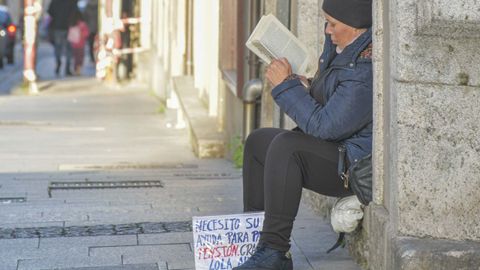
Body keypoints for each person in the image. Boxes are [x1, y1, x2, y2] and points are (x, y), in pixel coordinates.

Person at [233, 0, 373, 269]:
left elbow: (325, 127)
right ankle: (253, 240)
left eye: (333, 24)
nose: (328, 30)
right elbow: (334, 103)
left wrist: (286, 86)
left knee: (288, 146)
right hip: (337, 150)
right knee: (258, 142)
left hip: (353, 167)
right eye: (326, 22)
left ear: (355, 27)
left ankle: (275, 252)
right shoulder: (343, 49)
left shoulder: (364, 69)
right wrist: (306, 86)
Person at [48, 0, 77, 76]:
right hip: (68, 27)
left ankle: (58, 63)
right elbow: (75, 12)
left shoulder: (54, 2)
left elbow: (50, 12)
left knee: (58, 47)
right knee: (69, 49)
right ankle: (67, 68)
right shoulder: (71, 2)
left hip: (57, 27)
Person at [68, 9, 90, 75]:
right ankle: (78, 69)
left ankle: (75, 69)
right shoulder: (82, 24)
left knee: (75, 57)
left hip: (73, 43)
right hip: (81, 43)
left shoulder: (72, 24)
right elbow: (86, 33)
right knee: (80, 57)